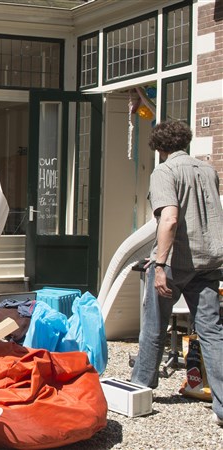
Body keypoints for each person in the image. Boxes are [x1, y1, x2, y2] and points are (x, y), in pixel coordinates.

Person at [129, 120, 223, 427]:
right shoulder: (208, 171)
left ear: (159, 148)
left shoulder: (164, 172)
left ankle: (140, 389)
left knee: (153, 328)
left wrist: (158, 265)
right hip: (208, 261)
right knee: (212, 333)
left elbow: (169, 219)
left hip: (175, 261)